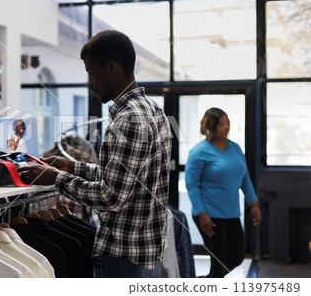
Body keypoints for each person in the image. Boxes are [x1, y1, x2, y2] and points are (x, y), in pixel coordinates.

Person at [18, 30, 172, 278]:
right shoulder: (152, 110)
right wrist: (72, 167)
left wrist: (56, 179)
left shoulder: (129, 119)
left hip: (123, 256)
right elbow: (124, 179)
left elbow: (111, 197)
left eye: (91, 72)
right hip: (144, 253)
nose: (89, 82)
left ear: (111, 68)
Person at [185, 107, 262, 278]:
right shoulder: (199, 151)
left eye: (227, 123)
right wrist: (201, 214)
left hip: (231, 213)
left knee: (236, 256)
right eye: (221, 124)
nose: (226, 127)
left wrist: (254, 203)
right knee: (220, 258)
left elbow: (245, 179)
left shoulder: (235, 149)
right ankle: (213, 282)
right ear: (211, 126)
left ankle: (209, 281)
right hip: (209, 214)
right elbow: (191, 185)